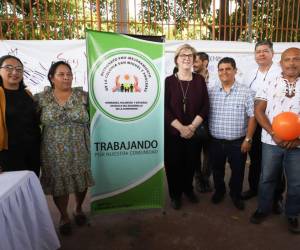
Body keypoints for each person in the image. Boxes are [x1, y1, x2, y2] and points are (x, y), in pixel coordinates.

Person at [35, 61, 94, 235]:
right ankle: (63, 216)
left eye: (69, 74)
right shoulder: (40, 98)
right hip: (53, 150)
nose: (66, 77)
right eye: (61, 74)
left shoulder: (83, 96)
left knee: (80, 181)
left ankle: (78, 209)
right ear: (52, 78)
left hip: (80, 147)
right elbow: (30, 121)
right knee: (59, 184)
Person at [250, 48, 300, 233]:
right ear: (281, 63)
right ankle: (263, 208)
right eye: (287, 59)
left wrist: (297, 139)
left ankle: (292, 214)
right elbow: (258, 111)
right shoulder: (269, 82)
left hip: (298, 144)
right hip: (271, 142)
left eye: (296, 59)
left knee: (296, 182)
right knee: (267, 178)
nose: (292, 63)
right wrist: (273, 133)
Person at [241, 40, 285, 214]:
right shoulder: (251, 73)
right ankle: (253, 188)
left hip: (274, 124)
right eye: (258, 51)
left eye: (265, 51)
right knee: (255, 159)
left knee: (276, 163)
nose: (261, 54)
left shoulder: (280, 72)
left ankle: (276, 198)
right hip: (254, 123)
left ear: (272, 53)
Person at [165, 44, 209, 210]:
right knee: (174, 164)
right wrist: (180, 128)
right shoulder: (168, 81)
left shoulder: (199, 80)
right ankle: (175, 194)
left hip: (193, 131)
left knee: (191, 163)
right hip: (173, 133)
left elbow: (205, 106)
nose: (186, 58)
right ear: (176, 59)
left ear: (194, 60)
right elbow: (164, 108)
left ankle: (188, 190)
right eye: (183, 55)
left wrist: (191, 127)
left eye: (190, 55)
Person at [208, 57, 256, 210]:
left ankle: (235, 194)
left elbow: (252, 117)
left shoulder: (247, 92)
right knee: (217, 169)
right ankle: (219, 191)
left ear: (235, 71)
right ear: (218, 72)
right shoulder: (211, 92)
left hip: (237, 142)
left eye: (228, 69)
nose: (224, 72)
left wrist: (248, 139)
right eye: (221, 69)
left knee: (238, 171)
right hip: (215, 140)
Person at [0, 55, 40, 176]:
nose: (14, 72)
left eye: (19, 69)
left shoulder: (27, 94)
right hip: (8, 155)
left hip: (32, 152)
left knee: (31, 187)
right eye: (9, 67)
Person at [193, 52, 212, 193]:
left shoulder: (216, 79)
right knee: (194, 153)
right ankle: (198, 179)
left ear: (205, 63)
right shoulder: (190, 78)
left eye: (196, 61)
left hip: (212, 122)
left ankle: (206, 179)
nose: (193, 64)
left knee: (209, 154)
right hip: (194, 122)